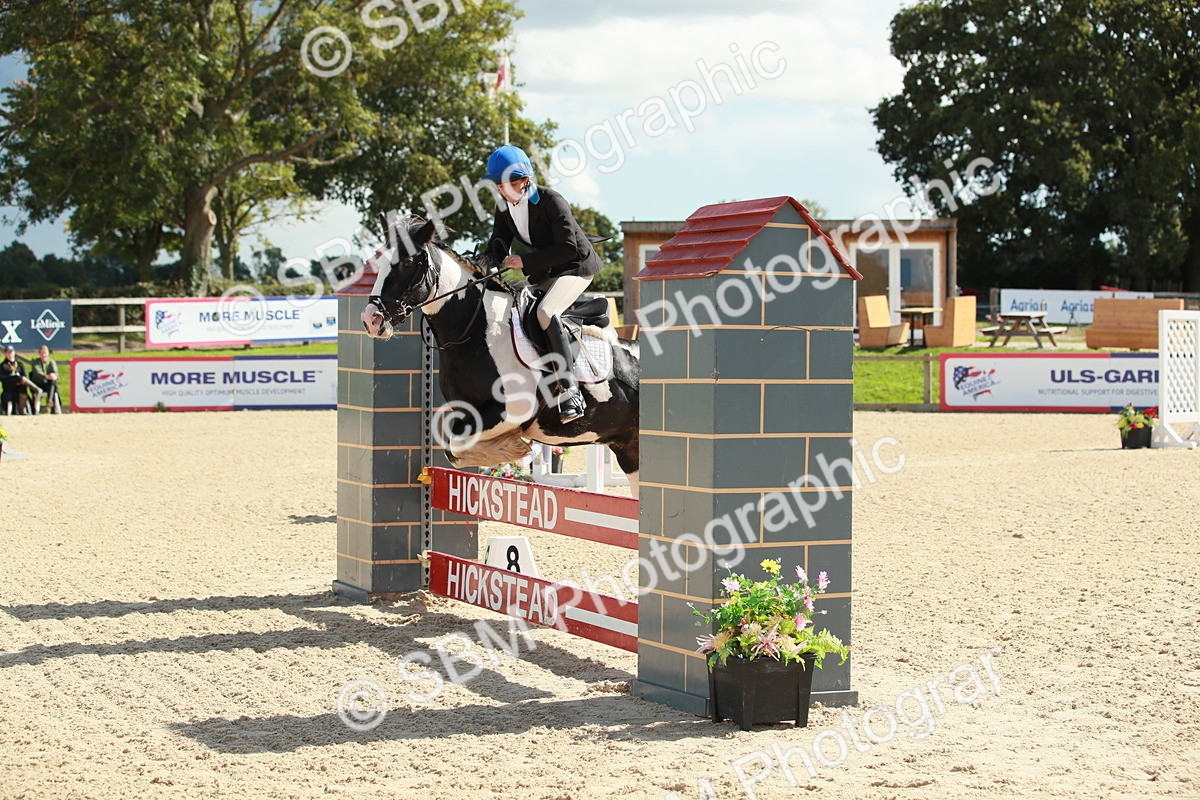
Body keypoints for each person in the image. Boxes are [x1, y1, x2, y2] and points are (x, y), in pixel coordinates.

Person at [483, 144, 601, 423]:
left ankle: (570, 391)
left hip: (576, 266)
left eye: (510, 183)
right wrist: (481, 263)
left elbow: (569, 248)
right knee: (521, 311)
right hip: (548, 269)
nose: (504, 190)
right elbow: (498, 247)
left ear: (525, 180)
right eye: (499, 185)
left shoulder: (551, 200)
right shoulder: (503, 206)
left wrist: (524, 262)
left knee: (544, 312)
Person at [0, 345, 42, 415]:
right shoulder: (3, 365)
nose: (10, 354)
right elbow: (1, 377)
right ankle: (37, 389)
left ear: (14, 352)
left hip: (20, 385)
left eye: (11, 352)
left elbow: (25, 375)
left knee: (22, 385)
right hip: (9, 386)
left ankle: (23, 409)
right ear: (5, 354)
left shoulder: (19, 364)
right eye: (8, 352)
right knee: (18, 377)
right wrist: (10, 376)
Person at [28, 345, 58, 414]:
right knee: (52, 382)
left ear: (48, 353)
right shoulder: (35, 362)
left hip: (48, 385)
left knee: (53, 382)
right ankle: (49, 403)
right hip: (38, 384)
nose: (43, 354)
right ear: (39, 353)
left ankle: (49, 401)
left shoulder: (51, 362)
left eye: (45, 352)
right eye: (42, 353)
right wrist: (47, 376)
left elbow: (55, 372)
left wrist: (54, 376)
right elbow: (37, 373)